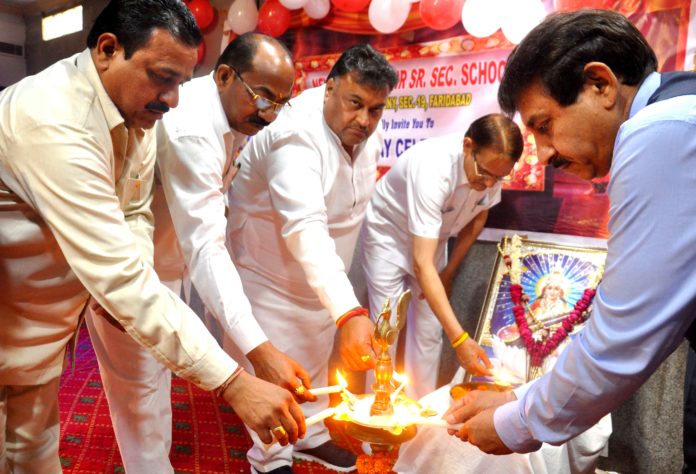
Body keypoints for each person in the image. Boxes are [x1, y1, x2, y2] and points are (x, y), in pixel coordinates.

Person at [0, 2, 305, 473]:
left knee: (32, 455)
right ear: (107, 49)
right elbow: (121, 275)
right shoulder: (56, 121)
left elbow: (135, 211)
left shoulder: (134, 110)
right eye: (162, 77)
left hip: (40, 331)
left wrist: (131, 276)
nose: (173, 100)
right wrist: (233, 382)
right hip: (11, 321)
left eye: (182, 83)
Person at [443, 10, 696, 468]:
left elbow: (621, 340)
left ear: (599, 84)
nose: (542, 155)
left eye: (544, 125)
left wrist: (514, 422)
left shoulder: (659, 132)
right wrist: (520, 397)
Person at [84, 33, 315, 473]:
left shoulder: (233, 118)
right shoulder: (191, 125)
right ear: (224, 75)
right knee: (141, 403)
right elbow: (206, 244)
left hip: (167, 264)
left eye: (280, 103)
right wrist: (259, 352)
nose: (269, 113)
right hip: (127, 275)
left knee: (157, 388)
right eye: (262, 97)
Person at [226, 43, 398, 473]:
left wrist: (340, 308)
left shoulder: (365, 134)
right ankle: (270, 458)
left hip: (322, 285)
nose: (364, 120)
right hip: (269, 278)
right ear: (329, 88)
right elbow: (304, 227)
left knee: (318, 367)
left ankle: (313, 435)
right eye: (355, 103)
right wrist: (350, 311)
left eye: (375, 110)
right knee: (277, 376)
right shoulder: (294, 135)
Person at [360, 113, 523, 399]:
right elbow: (421, 264)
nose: (488, 184)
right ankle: (377, 420)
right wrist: (460, 339)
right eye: (484, 173)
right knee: (386, 330)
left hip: (432, 242)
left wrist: (448, 273)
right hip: (389, 238)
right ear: (468, 145)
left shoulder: (490, 172)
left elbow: (476, 220)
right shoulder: (433, 168)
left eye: (499, 177)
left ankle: (417, 415)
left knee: (429, 332)